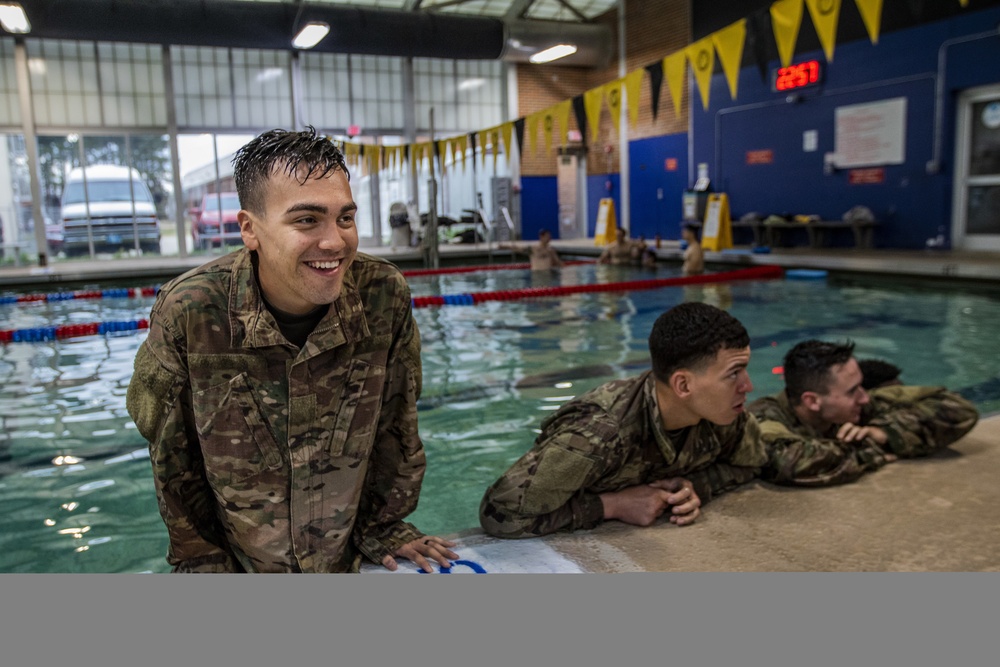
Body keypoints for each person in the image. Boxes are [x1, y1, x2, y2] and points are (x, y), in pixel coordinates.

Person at [126, 127, 458, 573]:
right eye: (307, 220)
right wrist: (202, 561)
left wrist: (384, 525)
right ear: (250, 229)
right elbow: (171, 460)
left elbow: (397, 423)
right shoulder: (191, 312)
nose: (335, 242)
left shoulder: (382, 295)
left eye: (345, 218)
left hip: (348, 558)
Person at [479, 302, 766, 539]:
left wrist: (693, 486)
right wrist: (611, 506)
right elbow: (500, 514)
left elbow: (752, 463)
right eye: (734, 373)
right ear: (683, 386)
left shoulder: (725, 414)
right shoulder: (598, 433)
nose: (748, 386)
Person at [749, 340, 979, 487]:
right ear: (812, 401)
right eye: (852, 391)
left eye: (861, 386)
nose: (865, 397)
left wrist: (883, 432)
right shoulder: (764, 417)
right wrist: (869, 450)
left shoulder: (856, 407)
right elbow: (786, 462)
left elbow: (958, 408)